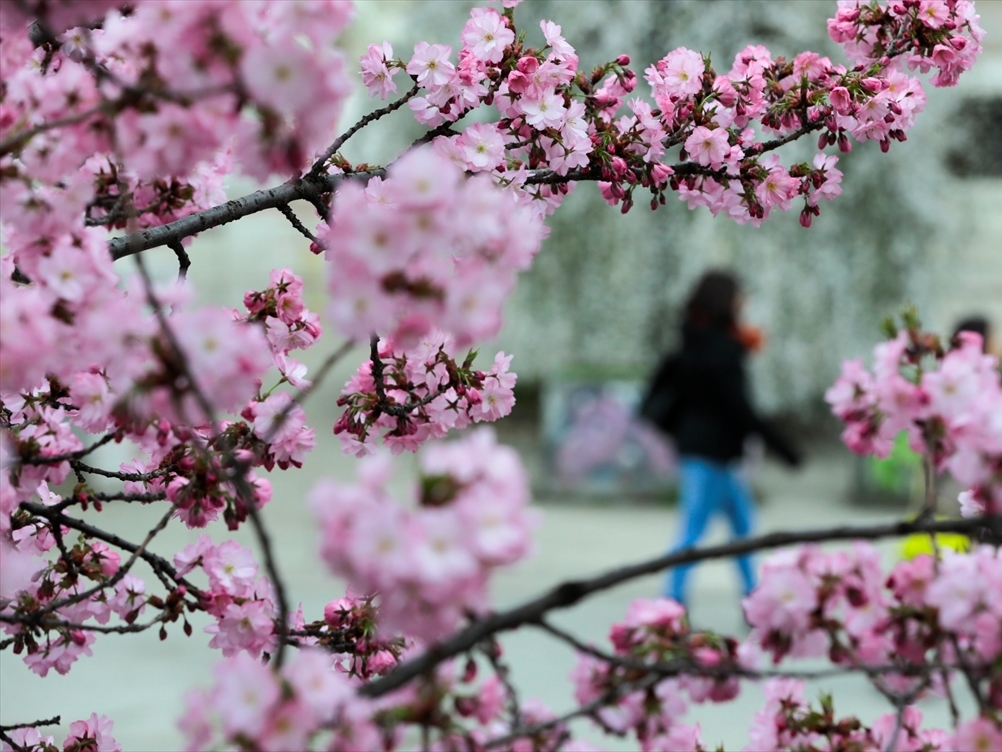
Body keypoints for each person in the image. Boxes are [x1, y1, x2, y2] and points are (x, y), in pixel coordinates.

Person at [640, 270, 801, 606]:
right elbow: (742, 410)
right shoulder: (726, 351)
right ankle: (672, 601)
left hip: (707, 454)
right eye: (740, 295)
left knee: (740, 529)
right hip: (713, 457)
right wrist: (784, 449)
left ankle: (753, 599)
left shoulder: (688, 345)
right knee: (696, 531)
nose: (745, 302)